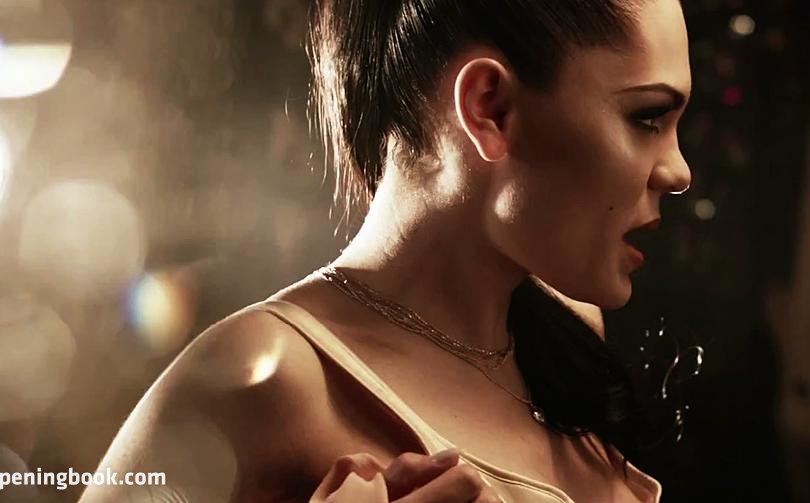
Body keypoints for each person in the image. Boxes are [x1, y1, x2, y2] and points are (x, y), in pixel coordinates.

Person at [82, 0, 692, 501]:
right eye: (647, 118)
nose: (679, 171)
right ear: (490, 107)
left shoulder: (566, 336)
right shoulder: (261, 380)